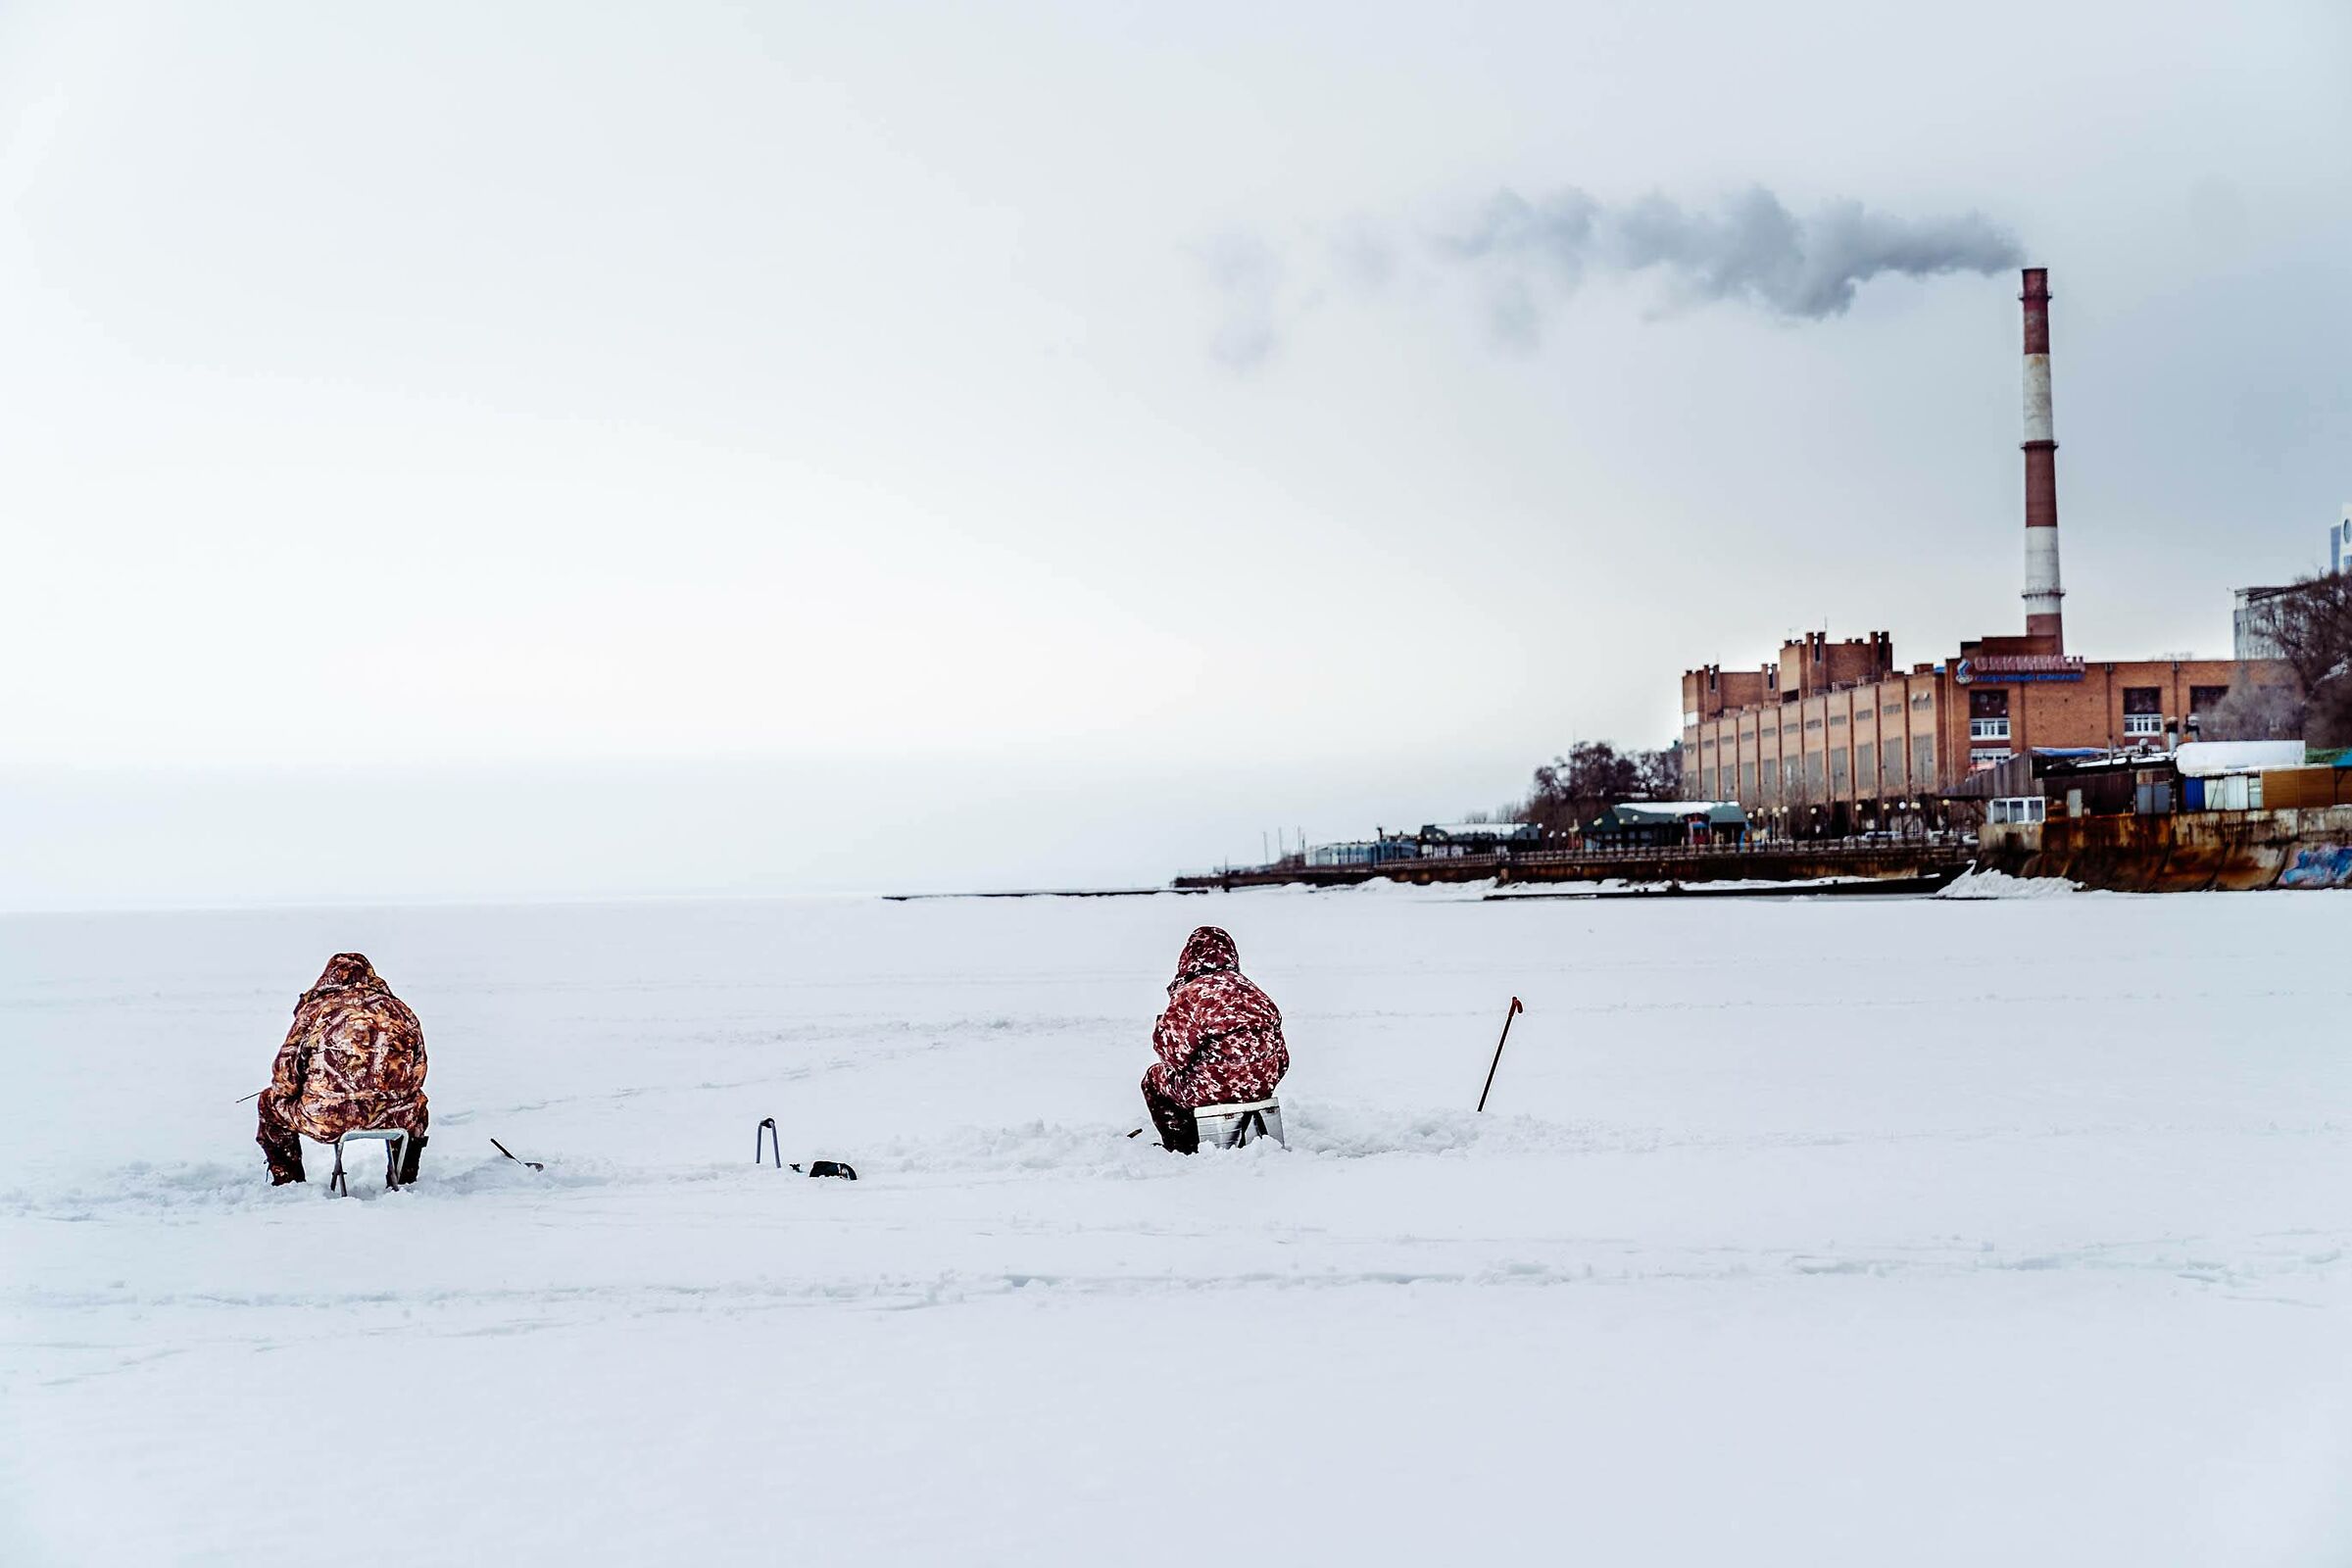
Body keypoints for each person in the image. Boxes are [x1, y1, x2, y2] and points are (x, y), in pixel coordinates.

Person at [256, 953, 430, 1185]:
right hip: (396, 1118)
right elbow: (419, 1067)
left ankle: (288, 1182)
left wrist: (292, 1095)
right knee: (418, 1107)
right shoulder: (400, 1011)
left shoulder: (315, 1010)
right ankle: (405, 1179)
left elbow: (285, 1071)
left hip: (326, 1118)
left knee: (269, 1103)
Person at [1142, 926, 1288, 1153]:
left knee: (1154, 1079)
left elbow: (1173, 1056)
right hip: (1263, 1086)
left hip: (1212, 1088)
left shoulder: (1191, 993)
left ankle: (1183, 1146)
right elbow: (1283, 1058)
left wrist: (1163, 1024)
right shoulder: (1253, 990)